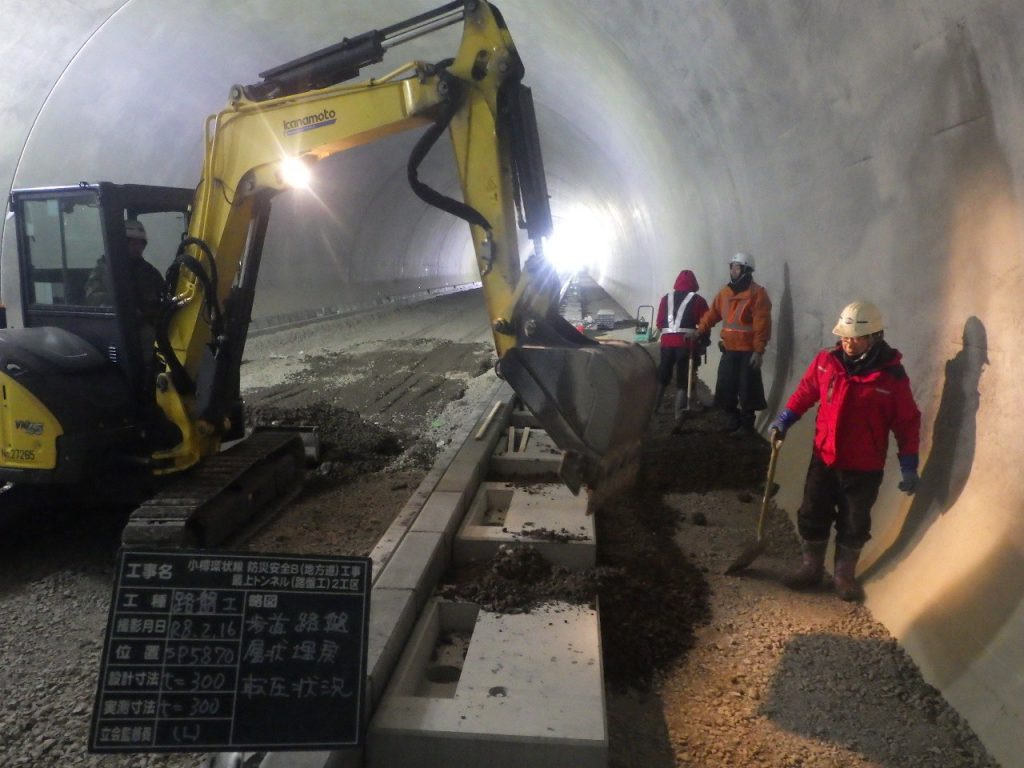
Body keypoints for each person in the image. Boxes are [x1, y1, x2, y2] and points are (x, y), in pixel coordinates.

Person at [769, 301, 921, 601]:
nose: (848, 343)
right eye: (845, 337)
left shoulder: (891, 377)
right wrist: (786, 418)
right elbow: (807, 390)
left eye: (855, 338)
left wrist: (909, 463)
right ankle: (811, 566)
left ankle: (843, 574)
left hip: (863, 468)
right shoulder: (827, 361)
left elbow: (906, 422)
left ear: (874, 336)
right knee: (813, 511)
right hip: (824, 457)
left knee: (854, 521)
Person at [696, 252, 772, 435]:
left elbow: (762, 324)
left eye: (737, 267)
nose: (732, 270)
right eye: (732, 267)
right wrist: (700, 330)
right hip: (730, 350)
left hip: (747, 352)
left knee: (748, 390)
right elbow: (713, 313)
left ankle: (746, 426)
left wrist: (758, 351)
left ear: (746, 270)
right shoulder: (725, 293)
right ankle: (733, 420)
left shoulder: (757, 294)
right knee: (726, 388)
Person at [653, 269, 709, 423]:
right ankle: (679, 414)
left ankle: (655, 408)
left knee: (663, 374)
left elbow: (659, 323)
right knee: (684, 377)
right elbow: (706, 323)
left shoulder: (666, 299)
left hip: (667, 343)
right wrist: (704, 343)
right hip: (686, 343)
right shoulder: (698, 300)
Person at [85, 218, 165, 324]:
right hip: (117, 326)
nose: (137, 248)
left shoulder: (149, 272)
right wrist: (124, 303)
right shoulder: (104, 271)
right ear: (121, 244)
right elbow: (93, 299)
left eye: (140, 244)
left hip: (146, 324)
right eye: (133, 243)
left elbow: (163, 297)